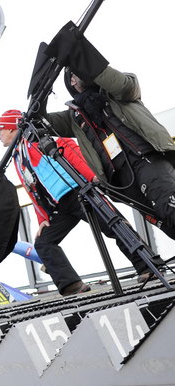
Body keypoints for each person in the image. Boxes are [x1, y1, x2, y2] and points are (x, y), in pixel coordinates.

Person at [42, 22, 175, 262]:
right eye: (71, 77)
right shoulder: (74, 116)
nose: (75, 78)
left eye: (77, 72)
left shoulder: (120, 91)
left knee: (170, 206)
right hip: (123, 182)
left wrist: (80, 56)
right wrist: (41, 91)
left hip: (147, 160)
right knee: (164, 221)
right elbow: (44, 122)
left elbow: (116, 81)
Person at [0, 109, 163, 294]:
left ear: (12, 128)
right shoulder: (19, 156)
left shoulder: (35, 136)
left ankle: (149, 267)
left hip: (80, 191)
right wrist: (42, 218)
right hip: (61, 203)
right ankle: (71, 285)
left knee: (114, 226)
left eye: (0, 130)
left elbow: (68, 149)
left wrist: (92, 177)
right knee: (43, 243)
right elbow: (33, 191)